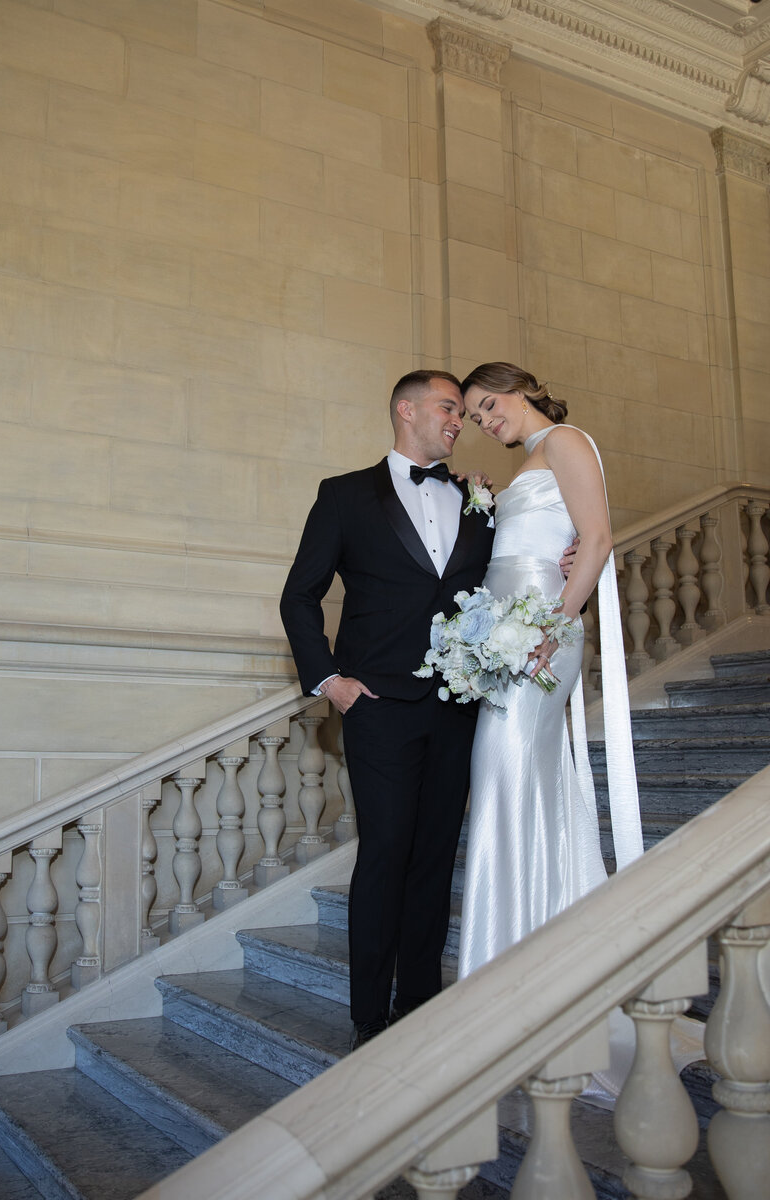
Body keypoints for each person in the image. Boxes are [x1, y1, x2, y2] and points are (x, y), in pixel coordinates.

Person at [280, 370, 496, 1049]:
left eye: (461, 412)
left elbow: (506, 573)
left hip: (457, 705)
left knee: (436, 855)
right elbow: (299, 596)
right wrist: (330, 681)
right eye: (447, 408)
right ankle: (369, 1016)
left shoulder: (476, 498)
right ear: (406, 410)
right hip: (377, 705)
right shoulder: (344, 496)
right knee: (386, 852)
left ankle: (420, 1000)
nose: (458, 420)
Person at [456, 361, 648, 1101]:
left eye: (489, 405)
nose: (484, 421)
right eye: (473, 416)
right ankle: (527, 963)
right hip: (508, 635)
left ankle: (508, 981)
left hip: (541, 635)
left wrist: (553, 625)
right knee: (514, 781)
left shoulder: (567, 440)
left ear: (522, 388)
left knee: (500, 771)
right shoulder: (531, 462)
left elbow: (596, 540)